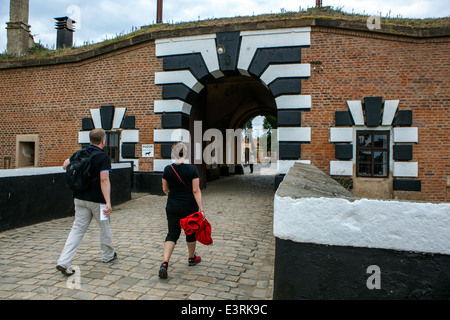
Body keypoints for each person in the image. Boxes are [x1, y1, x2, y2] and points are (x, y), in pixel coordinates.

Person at [56, 128, 116, 276]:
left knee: (77, 230)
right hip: (98, 201)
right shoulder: (103, 158)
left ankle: (64, 261)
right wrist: (108, 202)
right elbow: (104, 179)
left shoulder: (79, 153)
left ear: (90, 140)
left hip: (80, 199)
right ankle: (108, 255)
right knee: (104, 227)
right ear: (103, 141)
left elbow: (65, 165)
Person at [159, 142, 205, 279]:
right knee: (190, 232)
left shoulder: (167, 169)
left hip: (172, 206)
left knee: (172, 234)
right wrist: (201, 209)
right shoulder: (192, 170)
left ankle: (165, 263)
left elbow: (165, 189)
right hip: (189, 206)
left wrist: (173, 197)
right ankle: (191, 258)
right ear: (185, 154)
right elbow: (195, 190)